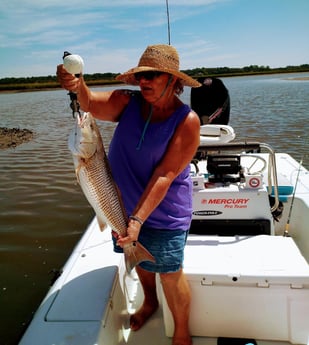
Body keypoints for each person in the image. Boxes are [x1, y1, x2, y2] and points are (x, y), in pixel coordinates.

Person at [57, 44, 201, 345]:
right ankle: (150, 302)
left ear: (173, 81)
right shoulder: (127, 103)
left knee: (170, 272)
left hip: (163, 212)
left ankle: (183, 329)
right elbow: (89, 102)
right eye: (141, 75)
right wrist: (77, 83)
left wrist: (137, 220)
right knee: (139, 262)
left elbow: (166, 174)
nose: (144, 81)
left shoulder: (187, 122)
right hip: (120, 207)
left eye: (153, 75)